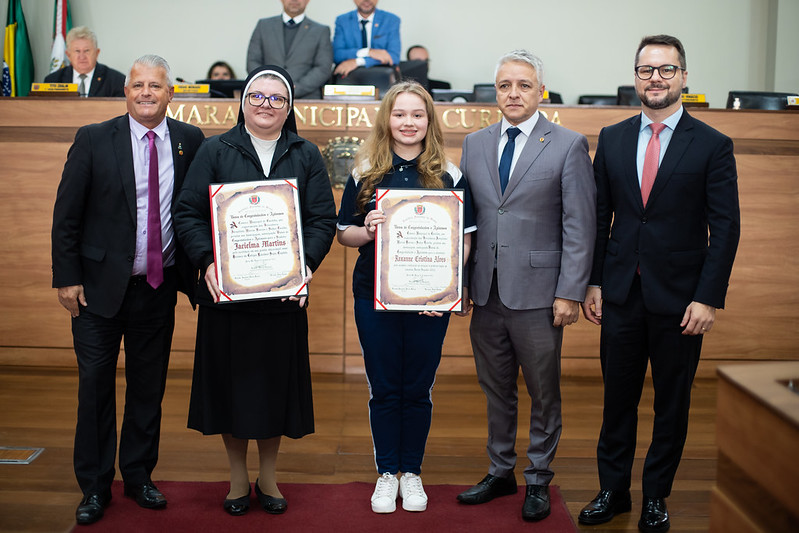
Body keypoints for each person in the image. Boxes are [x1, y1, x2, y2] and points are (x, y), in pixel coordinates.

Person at [578, 35, 740, 533]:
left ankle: (656, 495)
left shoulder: (713, 144)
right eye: (647, 69)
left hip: (681, 302)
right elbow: (598, 216)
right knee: (617, 399)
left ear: (684, 78)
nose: (655, 78)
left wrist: (708, 297)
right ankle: (613, 490)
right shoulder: (613, 137)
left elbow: (725, 226)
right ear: (636, 77)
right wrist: (595, 281)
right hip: (621, 294)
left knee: (672, 403)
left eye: (666, 70)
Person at [173, 65, 337, 517]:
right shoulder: (213, 150)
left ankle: (267, 475)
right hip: (228, 299)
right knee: (231, 389)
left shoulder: (306, 154)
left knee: (272, 390)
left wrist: (305, 264)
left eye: (276, 99)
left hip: (282, 298)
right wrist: (207, 261)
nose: (266, 105)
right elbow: (187, 214)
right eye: (257, 97)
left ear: (289, 107)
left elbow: (322, 219)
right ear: (243, 102)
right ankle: (237, 478)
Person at [51, 54, 205, 525]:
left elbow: (199, 209)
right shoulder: (95, 139)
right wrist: (66, 277)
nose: (145, 92)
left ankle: (138, 476)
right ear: (125, 91)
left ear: (170, 93)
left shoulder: (189, 141)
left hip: (157, 288)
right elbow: (67, 216)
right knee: (95, 389)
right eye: (137, 84)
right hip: (97, 291)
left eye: (155, 86)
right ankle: (95, 487)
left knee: (147, 389)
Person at [456, 49, 596, 522]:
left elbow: (580, 224)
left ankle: (538, 477)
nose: (513, 93)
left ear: (541, 91)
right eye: (504, 86)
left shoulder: (568, 144)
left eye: (523, 85)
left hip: (540, 293)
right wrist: (460, 284)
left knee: (543, 390)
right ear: (495, 91)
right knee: (496, 388)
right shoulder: (474, 144)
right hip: (486, 292)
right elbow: (468, 221)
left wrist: (570, 291)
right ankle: (500, 471)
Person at [336, 81, 476, 514]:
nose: (408, 122)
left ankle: (411, 473)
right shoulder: (365, 170)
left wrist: (448, 288)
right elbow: (345, 234)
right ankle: (386, 473)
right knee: (383, 386)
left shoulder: (449, 173)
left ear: (429, 120)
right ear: (387, 119)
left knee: (417, 386)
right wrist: (369, 227)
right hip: (374, 295)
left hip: (430, 299)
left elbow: (465, 241)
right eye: (400, 114)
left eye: (418, 114)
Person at [246, 0, 332, 99]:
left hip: (306, 98)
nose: (294, 0)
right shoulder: (263, 26)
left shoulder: (321, 31)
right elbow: (253, 61)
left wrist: (295, 88)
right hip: (266, 97)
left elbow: (323, 68)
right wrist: (270, 86)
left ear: (307, 1)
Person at [44, 26, 125, 97]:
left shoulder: (116, 81)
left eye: (87, 51)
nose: (82, 57)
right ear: (68, 55)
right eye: (77, 51)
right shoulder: (53, 80)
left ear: (97, 53)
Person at [332, 0, 400, 83]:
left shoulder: (391, 20)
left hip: (381, 76)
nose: (366, 0)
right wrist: (367, 52)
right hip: (349, 76)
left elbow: (393, 57)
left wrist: (358, 62)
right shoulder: (342, 20)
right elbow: (337, 55)